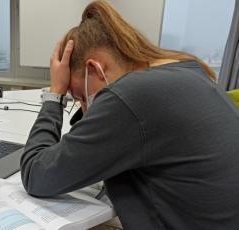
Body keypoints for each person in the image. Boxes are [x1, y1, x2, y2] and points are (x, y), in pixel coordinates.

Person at [20, 1, 239, 229]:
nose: (84, 108)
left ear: (95, 68)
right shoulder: (185, 71)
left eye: (80, 96)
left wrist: (55, 94)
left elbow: (36, 175)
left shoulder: (131, 95)